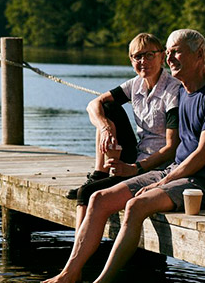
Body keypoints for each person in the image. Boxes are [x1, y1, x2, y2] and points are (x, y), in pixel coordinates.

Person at [25, 29, 205, 283]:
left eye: (175, 51)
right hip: (174, 172)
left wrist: (159, 181)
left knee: (135, 205)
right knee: (98, 197)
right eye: (168, 52)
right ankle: (69, 274)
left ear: (200, 55)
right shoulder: (185, 92)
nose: (169, 58)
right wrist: (157, 176)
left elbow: (203, 154)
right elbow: (100, 105)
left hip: (203, 182)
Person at [67, 33, 181, 229]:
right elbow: (94, 104)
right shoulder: (134, 84)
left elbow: (172, 148)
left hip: (156, 165)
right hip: (137, 153)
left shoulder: (173, 91)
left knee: (85, 194)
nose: (143, 61)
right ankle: (99, 174)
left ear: (162, 57)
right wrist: (104, 127)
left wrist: (136, 169)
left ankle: (80, 250)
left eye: (149, 55)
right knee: (107, 108)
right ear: (131, 60)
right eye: (137, 56)